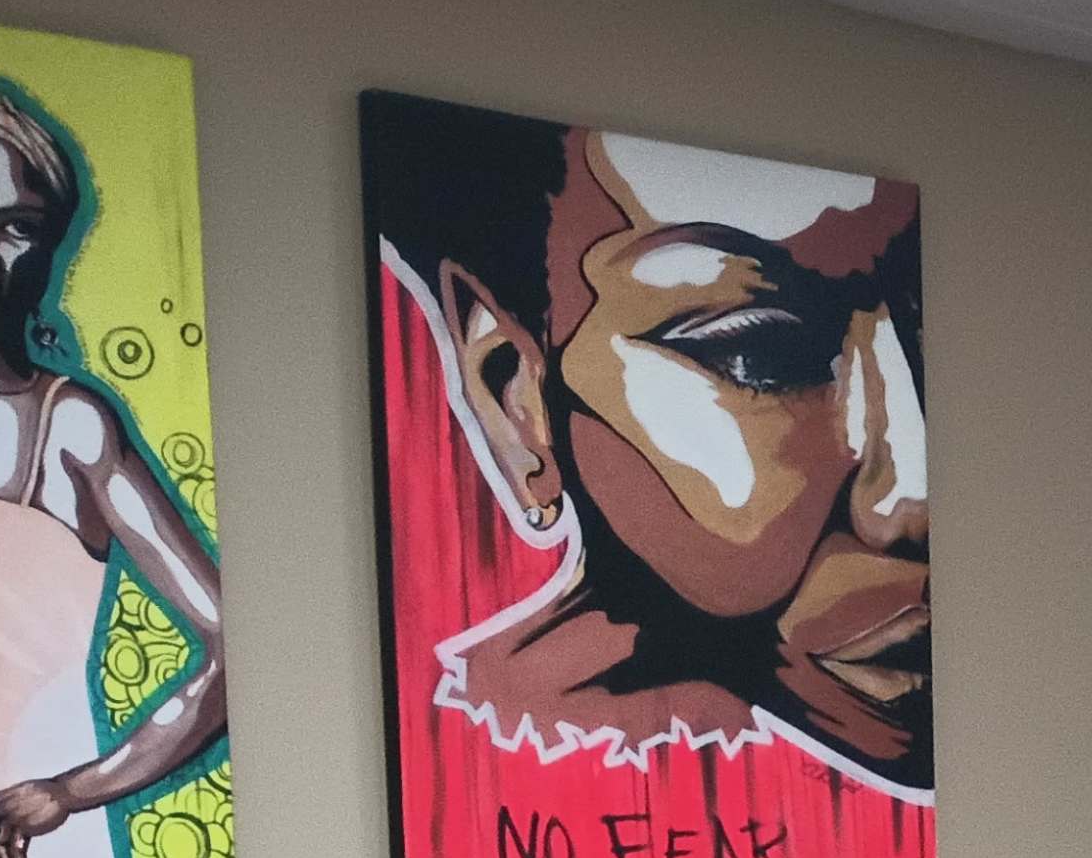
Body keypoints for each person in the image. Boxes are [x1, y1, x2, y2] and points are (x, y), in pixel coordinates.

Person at [367, 92, 929, 798]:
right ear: (517, 402)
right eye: (761, 356)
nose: (910, 497)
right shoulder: (467, 775)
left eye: (928, 341)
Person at [0, 79, 227, 858]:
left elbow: (227, 649)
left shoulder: (69, 426)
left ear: (49, 248)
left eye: (13, 225)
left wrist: (69, 791)